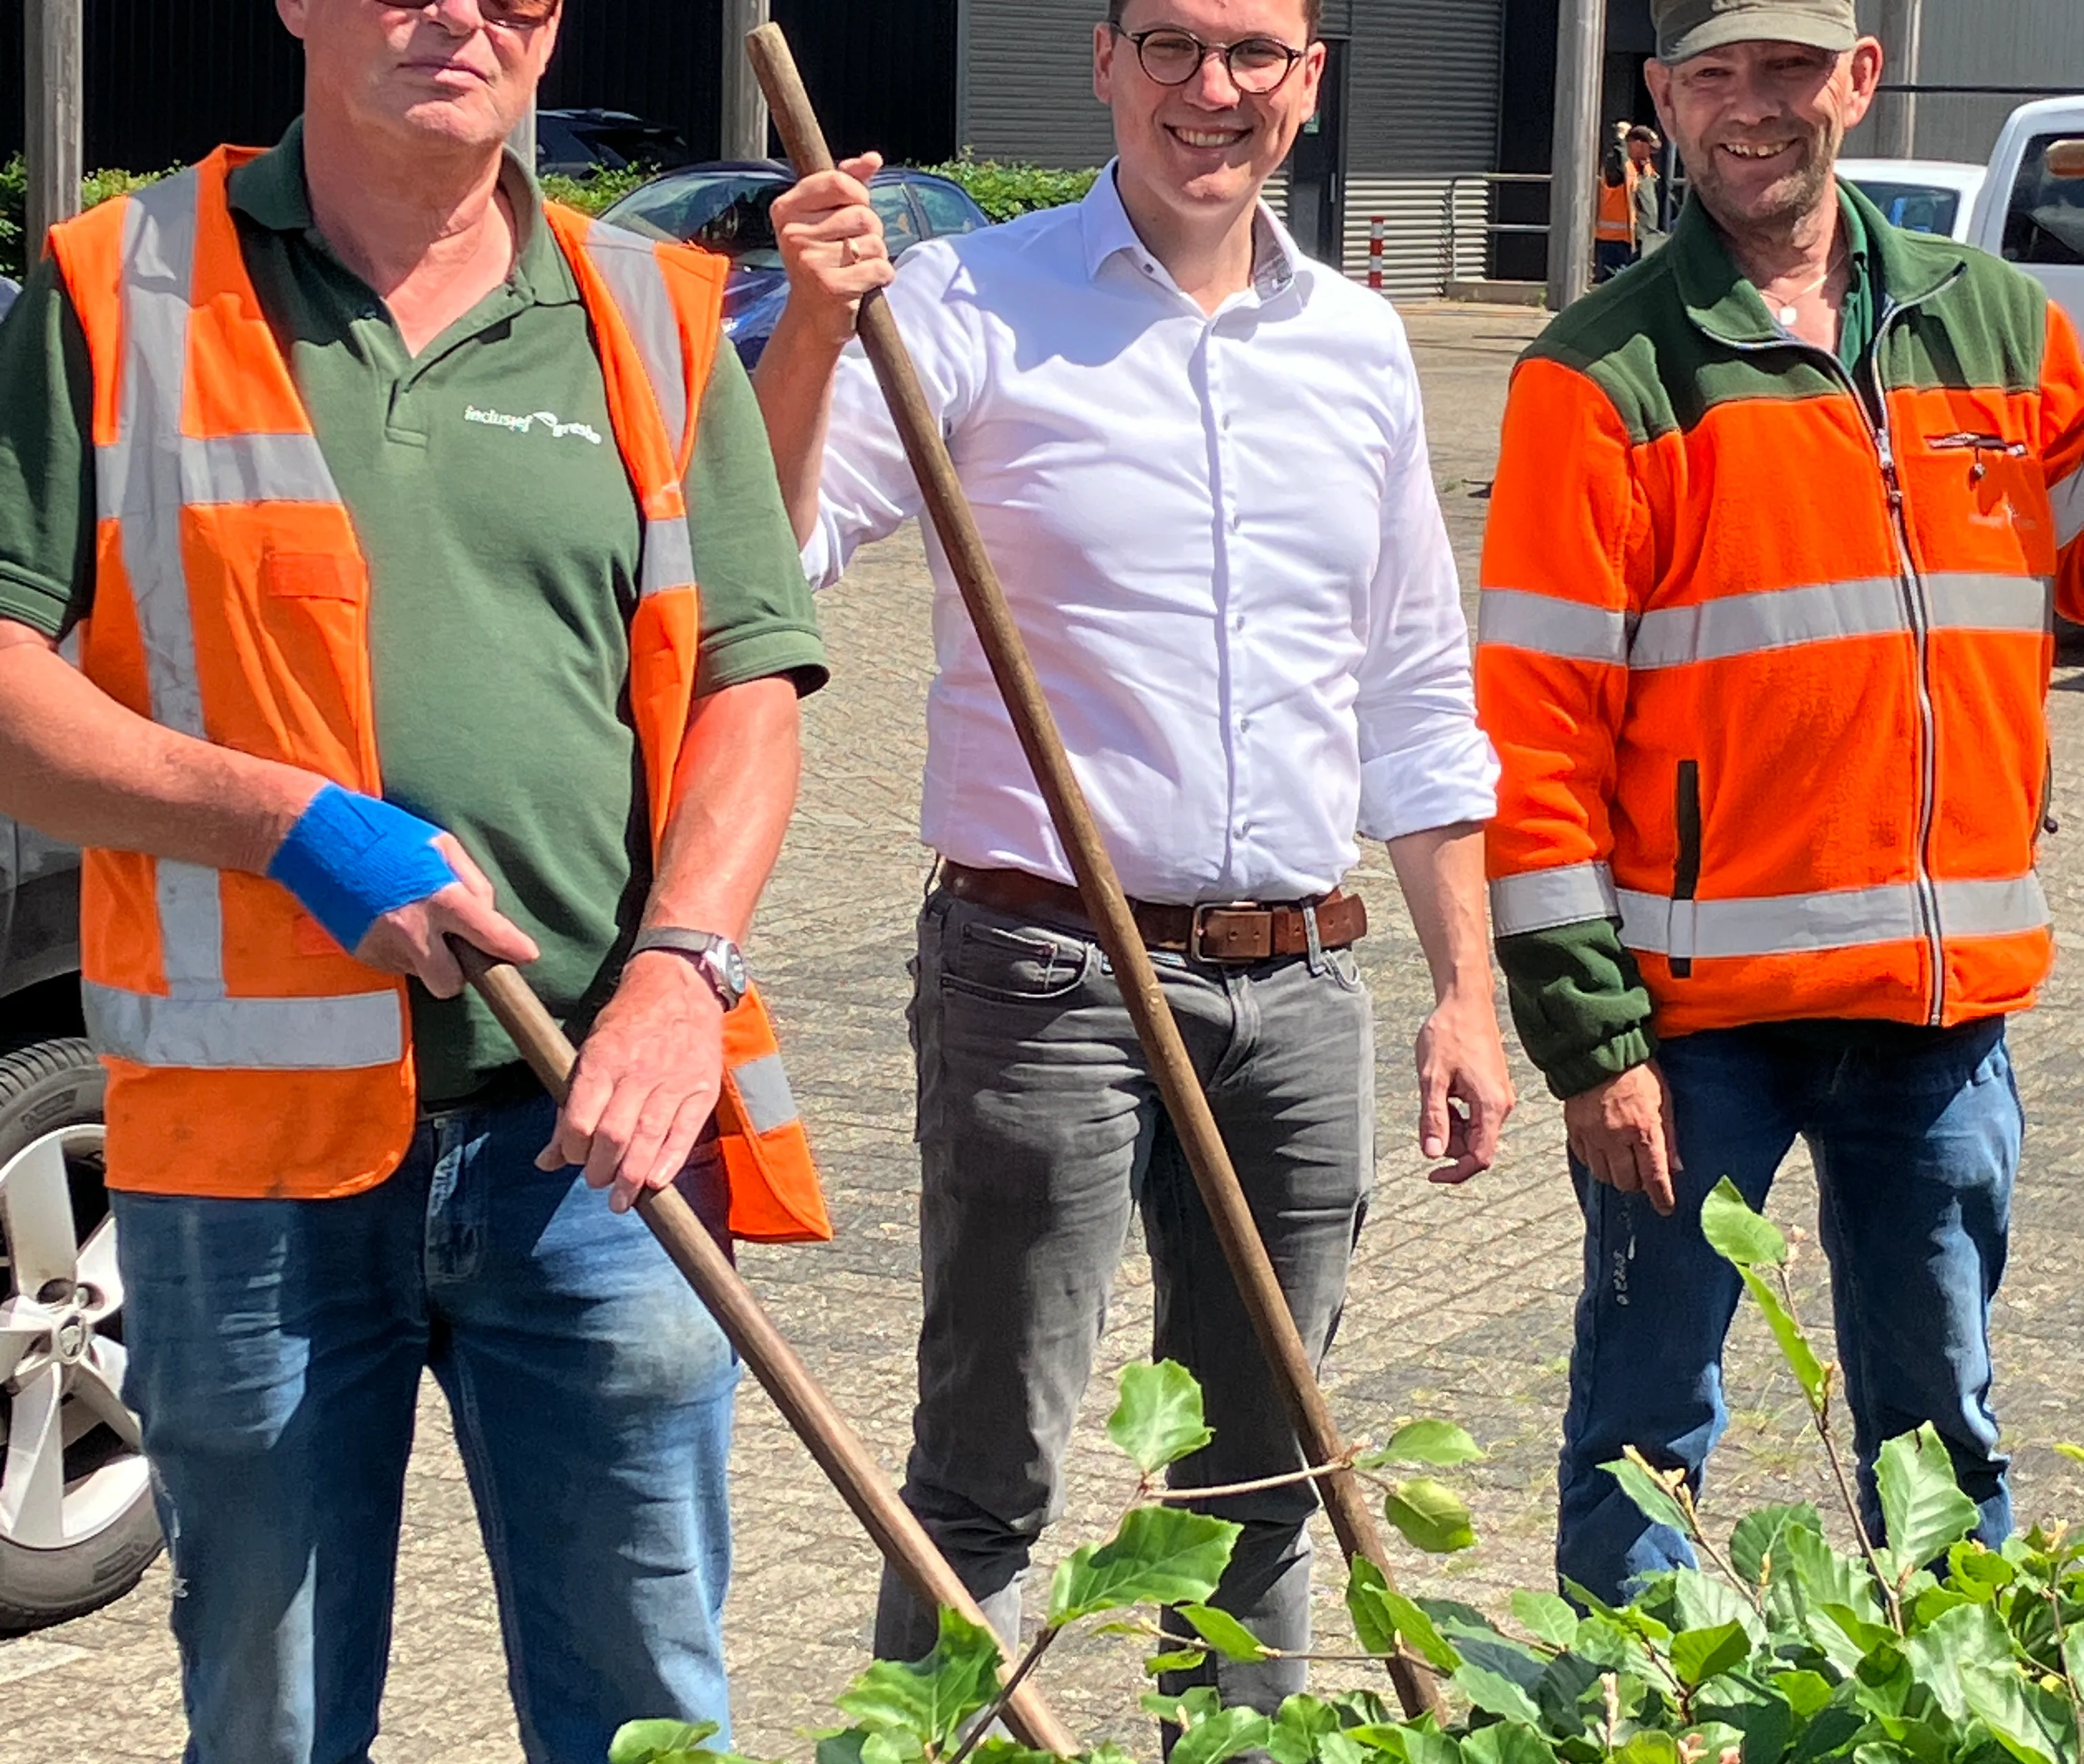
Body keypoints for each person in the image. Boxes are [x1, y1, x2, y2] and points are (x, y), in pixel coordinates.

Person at [0, 0, 832, 1756]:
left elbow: (752, 683)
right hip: (249, 1168)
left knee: (647, 1707)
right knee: (273, 1706)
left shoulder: (654, 315)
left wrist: (684, 972)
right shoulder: (117, 286)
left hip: (593, 1135)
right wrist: (285, 824)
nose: (461, 13)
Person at [753, 0, 1513, 1716]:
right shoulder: (960, 307)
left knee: (1267, 1485)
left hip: (1305, 983)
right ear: (1102, 63)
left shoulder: (1364, 346)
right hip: (1044, 973)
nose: (1211, 91)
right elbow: (773, 550)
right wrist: (808, 327)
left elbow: (1413, 687)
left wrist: (1464, 987)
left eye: (1255, 54)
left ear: (1310, 87)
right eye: (1170, 44)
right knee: (986, 1475)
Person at [1478, 0, 2084, 1604]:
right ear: (1665, 97)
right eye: (1720, 75)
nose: (1757, 108)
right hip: (1691, 1033)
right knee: (1645, 1433)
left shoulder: (2007, 331)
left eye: (1794, 71)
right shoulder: (1596, 377)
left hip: (1939, 1019)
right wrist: (1589, 1042)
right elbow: (1528, 742)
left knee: (1942, 1433)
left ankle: (1955, 1706)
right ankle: (1628, 1711)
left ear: (1860, 82)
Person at [1596, 121, 1639, 281]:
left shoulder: (1634, 164)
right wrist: (1620, 142)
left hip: (1626, 237)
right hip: (1615, 237)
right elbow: (1617, 175)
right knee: (1616, 280)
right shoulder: (1616, 160)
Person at [1628, 124, 1668, 256]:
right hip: (1621, 238)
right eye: (1650, 149)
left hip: (1641, 238)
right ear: (1638, 144)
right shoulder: (1624, 167)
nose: (1651, 154)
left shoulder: (1646, 167)